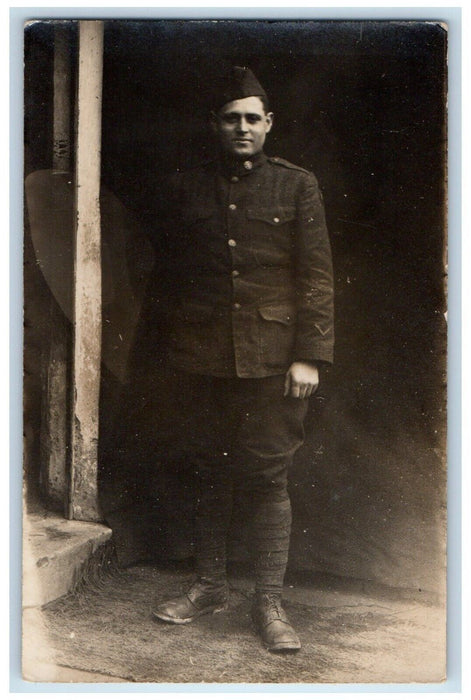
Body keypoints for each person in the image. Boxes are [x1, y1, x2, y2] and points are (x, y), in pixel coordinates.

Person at [150, 66, 334, 652]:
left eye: (253, 117)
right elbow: (171, 274)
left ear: (269, 124)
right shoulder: (187, 186)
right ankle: (209, 586)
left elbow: (318, 279)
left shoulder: (297, 186)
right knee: (208, 466)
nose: (242, 127)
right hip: (200, 353)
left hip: (272, 356)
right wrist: (172, 348)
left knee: (266, 474)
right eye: (231, 118)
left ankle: (269, 601)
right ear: (215, 125)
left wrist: (309, 356)